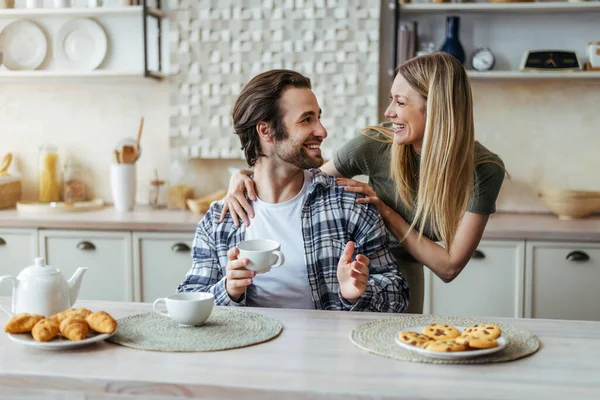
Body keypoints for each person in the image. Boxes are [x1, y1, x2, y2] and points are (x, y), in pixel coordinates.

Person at [220, 52, 505, 314]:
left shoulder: (483, 170)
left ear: (436, 110)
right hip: (356, 263)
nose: (388, 111)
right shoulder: (375, 144)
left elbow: (449, 266)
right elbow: (305, 177)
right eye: (392, 98)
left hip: (407, 266)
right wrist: (244, 176)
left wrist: (385, 210)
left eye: (401, 102)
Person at [178, 69, 409, 312]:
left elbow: (399, 296)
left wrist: (357, 295)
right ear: (265, 131)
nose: (322, 131)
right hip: (245, 349)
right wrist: (228, 291)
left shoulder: (350, 207)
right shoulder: (219, 220)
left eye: (319, 118)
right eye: (306, 119)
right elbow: (188, 300)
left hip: (325, 348)